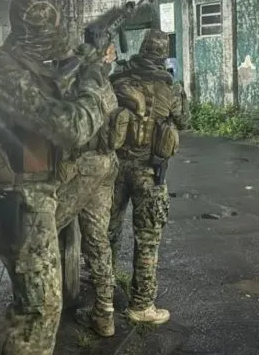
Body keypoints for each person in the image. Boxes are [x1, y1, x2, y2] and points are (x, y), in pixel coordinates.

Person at [0, 0, 117, 354]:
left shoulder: (17, 64)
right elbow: (70, 127)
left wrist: (84, 63)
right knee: (39, 308)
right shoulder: (5, 75)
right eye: (47, 29)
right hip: (20, 200)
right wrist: (97, 87)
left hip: (34, 193)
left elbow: (53, 88)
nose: (54, 37)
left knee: (33, 303)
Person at [107, 30, 190, 325]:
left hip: (113, 169)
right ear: (163, 53)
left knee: (106, 235)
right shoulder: (170, 86)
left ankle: (102, 303)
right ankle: (141, 306)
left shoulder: (118, 80)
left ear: (142, 48)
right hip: (150, 173)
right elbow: (184, 120)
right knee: (147, 239)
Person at [57, 41, 122, 338]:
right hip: (107, 163)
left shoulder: (80, 82)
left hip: (85, 165)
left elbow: (67, 128)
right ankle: (105, 314)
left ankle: (42, 311)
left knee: (43, 228)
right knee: (97, 240)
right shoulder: (102, 79)